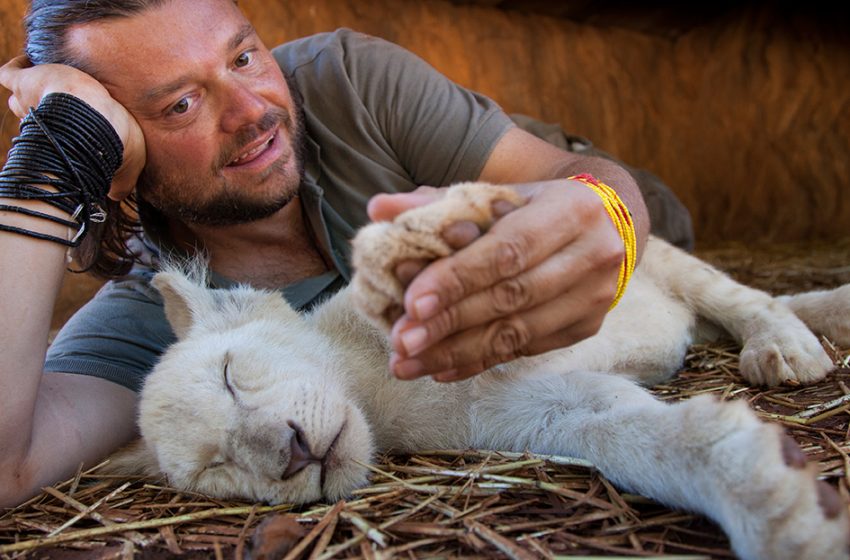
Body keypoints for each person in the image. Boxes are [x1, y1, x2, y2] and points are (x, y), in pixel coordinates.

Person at [0, 0, 690, 507]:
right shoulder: (153, 315)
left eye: (244, 56)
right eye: (181, 104)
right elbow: (8, 464)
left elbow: (596, 185)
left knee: (667, 221)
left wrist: (612, 223)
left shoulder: (348, 79)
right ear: (119, 156)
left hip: (595, 191)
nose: (253, 112)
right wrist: (60, 139)